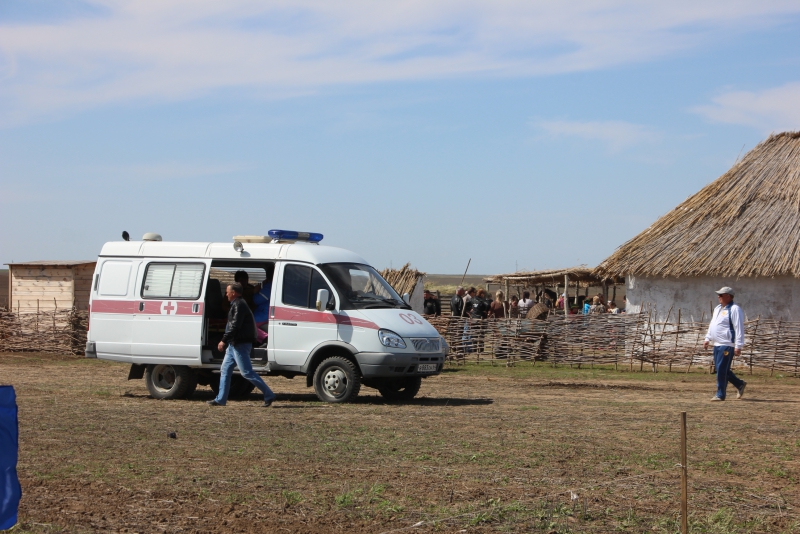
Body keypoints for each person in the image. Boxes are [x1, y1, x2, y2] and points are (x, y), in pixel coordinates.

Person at [207, 283, 277, 407]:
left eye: (228, 292)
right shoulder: (237, 305)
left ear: (234, 293)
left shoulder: (239, 306)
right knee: (225, 370)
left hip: (240, 344)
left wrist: (223, 340)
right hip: (234, 345)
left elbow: (235, 326)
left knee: (246, 372)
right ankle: (220, 399)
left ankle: (269, 394)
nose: (226, 294)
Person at [703, 286, 746, 402]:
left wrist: (738, 346)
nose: (718, 297)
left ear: (728, 296)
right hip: (717, 344)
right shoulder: (718, 308)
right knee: (721, 369)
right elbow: (713, 324)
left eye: (721, 295)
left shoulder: (735, 309)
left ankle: (720, 394)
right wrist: (707, 338)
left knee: (721, 369)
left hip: (727, 344)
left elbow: (739, 328)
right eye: (718, 295)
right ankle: (739, 384)